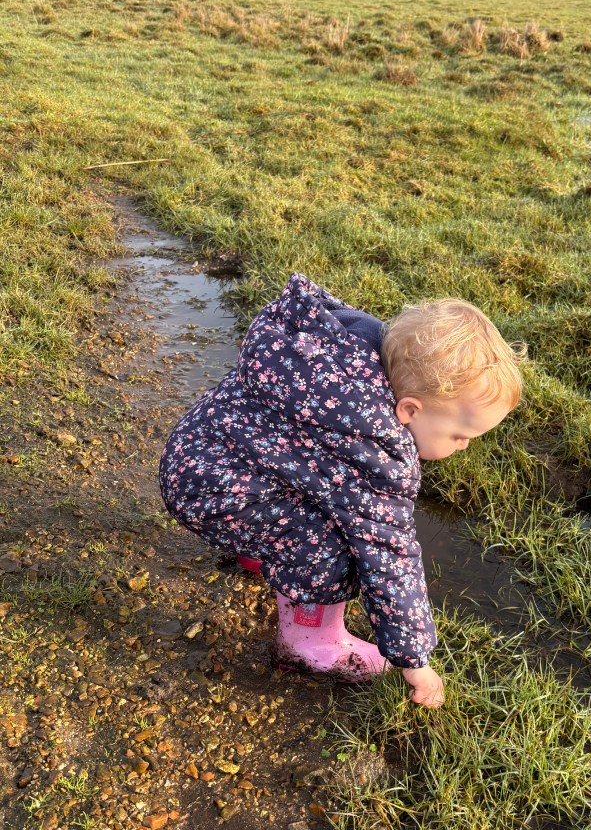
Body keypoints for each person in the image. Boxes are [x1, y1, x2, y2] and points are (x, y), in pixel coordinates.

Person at [159, 273, 523, 708]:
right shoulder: (377, 450)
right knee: (337, 542)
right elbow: (389, 555)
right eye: (460, 436)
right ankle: (310, 643)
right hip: (220, 496)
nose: (464, 447)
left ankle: (258, 550)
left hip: (198, 457)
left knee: (312, 493)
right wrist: (413, 657)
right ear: (410, 410)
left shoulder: (337, 357)